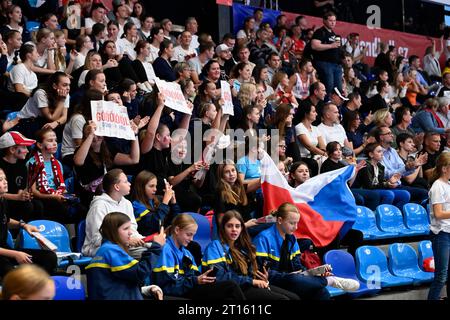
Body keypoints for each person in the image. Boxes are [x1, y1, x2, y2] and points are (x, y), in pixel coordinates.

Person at [253, 202, 360, 300]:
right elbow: (263, 272)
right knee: (294, 279)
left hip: (290, 279)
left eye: (297, 223)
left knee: (321, 292)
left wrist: (312, 272)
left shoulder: (292, 238)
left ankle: (325, 279)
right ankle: (330, 280)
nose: (295, 227)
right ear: (280, 220)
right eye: (292, 223)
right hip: (273, 281)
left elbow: (297, 265)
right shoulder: (263, 238)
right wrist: (291, 275)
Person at [202, 210, 300, 300]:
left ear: (241, 228)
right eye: (229, 226)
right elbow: (218, 277)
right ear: (223, 228)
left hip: (249, 285)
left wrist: (262, 278)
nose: (234, 229)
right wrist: (252, 281)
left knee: (295, 297)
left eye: (237, 226)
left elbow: (251, 273)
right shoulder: (215, 247)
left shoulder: (244, 248)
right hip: (236, 290)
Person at [152, 213, 246, 300]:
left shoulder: (187, 253)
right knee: (231, 286)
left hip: (187, 289)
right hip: (172, 294)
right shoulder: (166, 249)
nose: (191, 239)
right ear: (177, 230)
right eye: (189, 235)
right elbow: (166, 287)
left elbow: (194, 277)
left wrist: (203, 279)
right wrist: (195, 281)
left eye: (193, 235)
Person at [86, 212, 165, 300]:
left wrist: (147, 290)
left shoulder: (105, 251)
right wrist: (156, 246)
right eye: (125, 228)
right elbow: (140, 272)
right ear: (113, 231)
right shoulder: (110, 251)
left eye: (130, 228)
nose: (130, 232)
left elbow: (119, 287)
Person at [0, 167, 57, 278]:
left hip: (5, 250)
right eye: (0, 179)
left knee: (49, 257)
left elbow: (5, 220)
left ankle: (39, 288)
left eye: (5, 178)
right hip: (3, 254)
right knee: (13, 275)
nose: (5, 181)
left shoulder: (2, 200)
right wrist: (16, 254)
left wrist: (24, 225)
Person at [82, 168, 145, 258]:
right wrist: (125, 241)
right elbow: (97, 238)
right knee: (146, 254)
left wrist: (142, 240)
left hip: (124, 245)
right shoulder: (99, 206)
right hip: (100, 248)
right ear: (117, 187)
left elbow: (132, 230)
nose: (129, 184)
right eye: (126, 181)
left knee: (155, 248)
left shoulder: (127, 203)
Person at [0, 131, 43, 222]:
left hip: (16, 201)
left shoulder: (22, 166)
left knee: (38, 205)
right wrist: (17, 197)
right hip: (4, 201)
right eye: (23, 147)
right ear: (12, 150)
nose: (27, 151)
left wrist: (24, 194)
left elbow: (20, 188)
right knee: (27, 206)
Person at [427, 153, 450, 300]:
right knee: (441, 276)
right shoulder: (437, 187)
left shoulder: (448, 185)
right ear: (444, 168)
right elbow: (438, 214)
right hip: (441, 234)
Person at [132, 170, 181, 236]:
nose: (155, 189)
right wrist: (165, 201)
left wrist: (173, 201)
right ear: (141, 187)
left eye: (155, 186)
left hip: (162, 237)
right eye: (151, 186)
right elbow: (155, 223)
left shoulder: (157, 199)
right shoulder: (136, 205)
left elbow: (177, 220)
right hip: (147, 241)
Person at [310, 12, 342, 99]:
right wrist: (331, 45)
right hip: (324, 63)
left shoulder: (334, 34)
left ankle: (335, 107)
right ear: (324, 21)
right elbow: (314, 45)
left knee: (338, 89)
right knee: (328, 86)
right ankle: (325, 104)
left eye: (334, 21)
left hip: (336, 65)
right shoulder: (320, 32)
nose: (333, 22)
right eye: (330, 20)